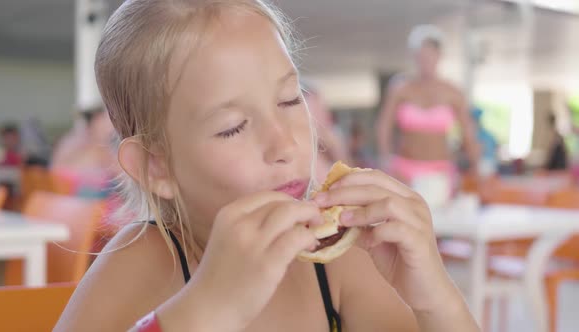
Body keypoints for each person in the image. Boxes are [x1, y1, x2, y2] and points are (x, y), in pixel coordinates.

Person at [55, 2, 479, 331]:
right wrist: (205, 310)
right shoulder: (144, 261)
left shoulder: (337, 262)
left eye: (291, 100)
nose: (286, 143)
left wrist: (435, 298)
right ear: (156, 166)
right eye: (233, 127)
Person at [376, 24, 479, 189]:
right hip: (404, 170)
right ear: (415, 57)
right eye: (422, 56)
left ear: (439, 56)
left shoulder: (453, 92)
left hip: (440, 171)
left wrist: (475, 168)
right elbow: (383, 127)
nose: (426, 61)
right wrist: (387, 161)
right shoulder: (400, 88)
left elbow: (468, 135)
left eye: (430, 55)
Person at [301, 81, 348, 182]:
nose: (324, 115)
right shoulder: (300, 152)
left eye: (323, 109)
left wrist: (336, 149)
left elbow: (349, 176)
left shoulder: (331, 140)